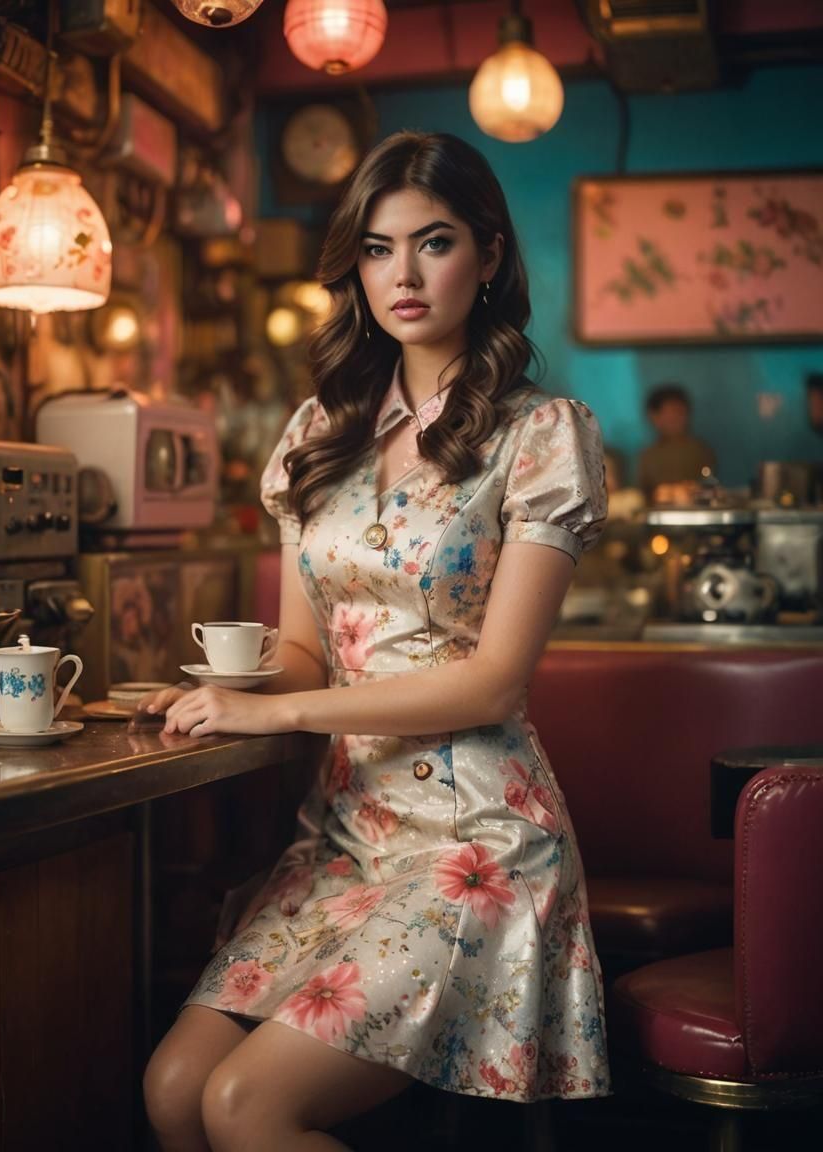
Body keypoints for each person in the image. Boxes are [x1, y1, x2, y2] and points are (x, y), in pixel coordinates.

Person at [141, 131, 611, 1152]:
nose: (401, 274)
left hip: (474, 842)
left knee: (244, 1105)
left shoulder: (540, 435)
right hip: (347, 837)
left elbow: (490, 684)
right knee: (176, 1089)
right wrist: (208, 686)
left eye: (432, 243)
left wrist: (277, 710)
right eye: (375, 248)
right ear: (352, 267)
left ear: (487, 255)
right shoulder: (318, 434)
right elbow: (308, 655)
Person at [637, 383, 717, 503]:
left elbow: (709, 484)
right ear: (654, 417)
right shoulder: (648, 456)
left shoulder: (700, 450)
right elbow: (643, 494)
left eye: (680, 413)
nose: (677, 419)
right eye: (670, 414)